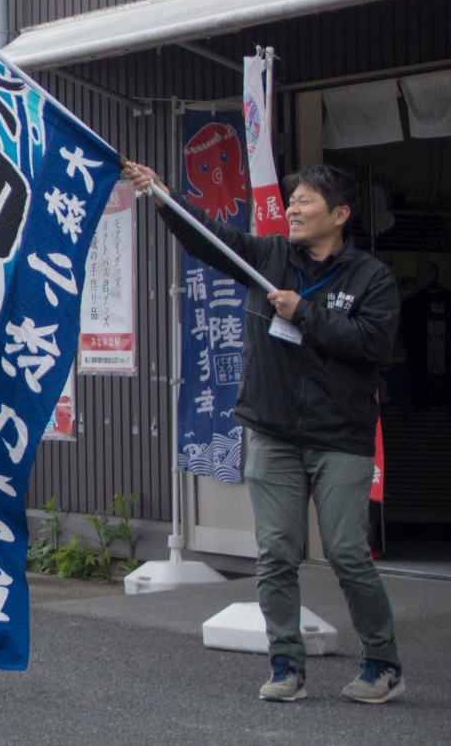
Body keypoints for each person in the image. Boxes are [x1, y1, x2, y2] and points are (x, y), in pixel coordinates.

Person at [125, 159, 404, 704]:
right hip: (273, 431)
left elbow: (373, 345)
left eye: (305, 201)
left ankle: (382, 662)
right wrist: (161, 194)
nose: (293, 209)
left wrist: (305, 314)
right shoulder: (271, 256)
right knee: (276, 552)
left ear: (340, 215)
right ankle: (286, 665)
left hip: (341, 437)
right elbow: (208, 239)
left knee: (347, 552)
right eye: (292, 200)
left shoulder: (371, 278)